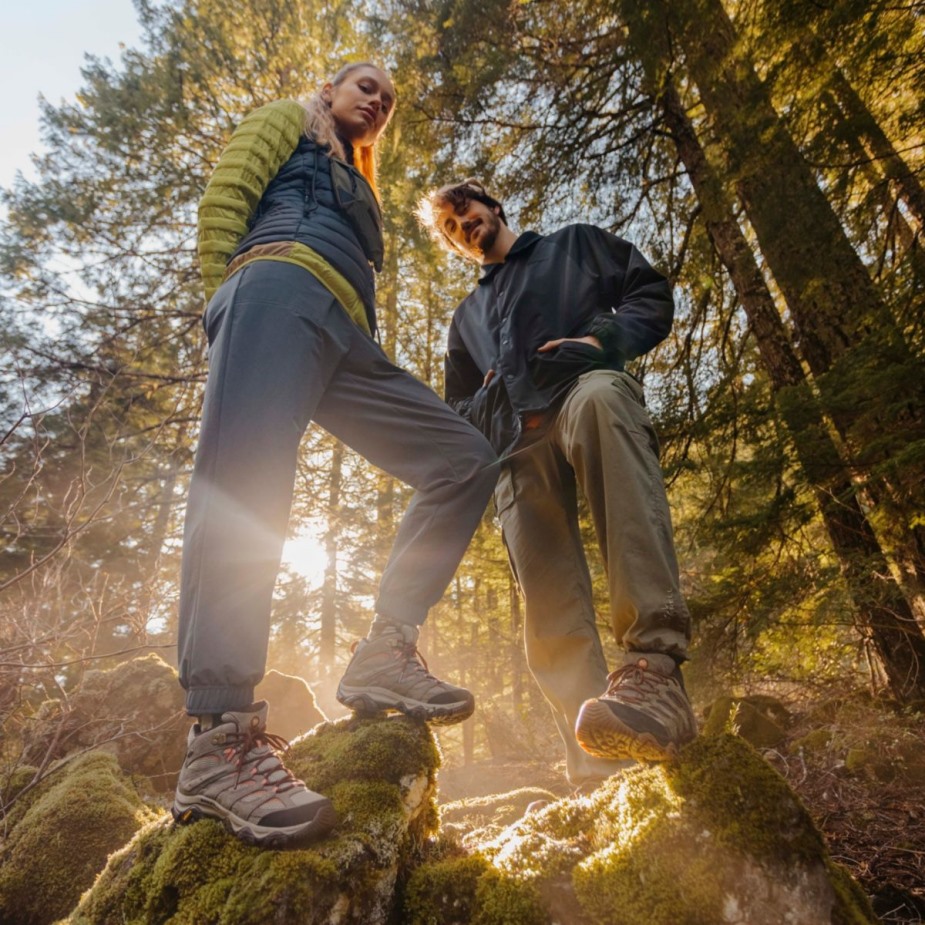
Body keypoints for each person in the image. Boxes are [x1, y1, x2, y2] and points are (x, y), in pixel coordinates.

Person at [174, 67, 498, 849]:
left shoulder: (359, 181)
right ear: (329, 90)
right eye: (364, 84)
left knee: (463, 456)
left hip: (343, 333)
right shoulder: (286, 118)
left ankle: (385, 649)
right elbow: (225, 197)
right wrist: (229, 299)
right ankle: (218, 738)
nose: (378, 99)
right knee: (244, 486)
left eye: (387, 97)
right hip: (272, 286)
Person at [417, 179, 697, 787]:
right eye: (449, 228)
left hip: (581, 393)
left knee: (602, 399)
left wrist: (601, 342)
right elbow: (455, 411)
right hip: (516, 446)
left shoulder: (572, 247)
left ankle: (654, 673)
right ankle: (596, 755)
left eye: (464, 210)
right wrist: (488, 401)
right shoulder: (465, 319)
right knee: (547, 598)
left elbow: (648, 292)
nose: (461, 225)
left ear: (491, 204)